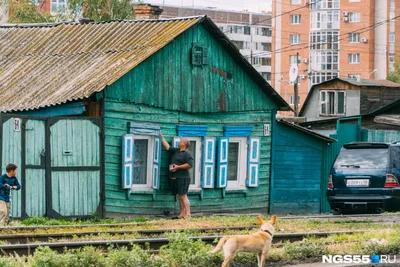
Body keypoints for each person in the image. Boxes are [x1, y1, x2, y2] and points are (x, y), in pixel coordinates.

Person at [159, 133, 193, 219]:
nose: (179, 141)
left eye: (181, 141)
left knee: (183, 195)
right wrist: (162, 138)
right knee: (178, 195)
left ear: (184, 144)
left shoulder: (187, 153)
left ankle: (188, 214)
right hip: (175, 178)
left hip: (183, 178)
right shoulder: (177, 150)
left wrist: (178, 167)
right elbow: (168, 147)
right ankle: (182, 213)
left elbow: (189, 165)